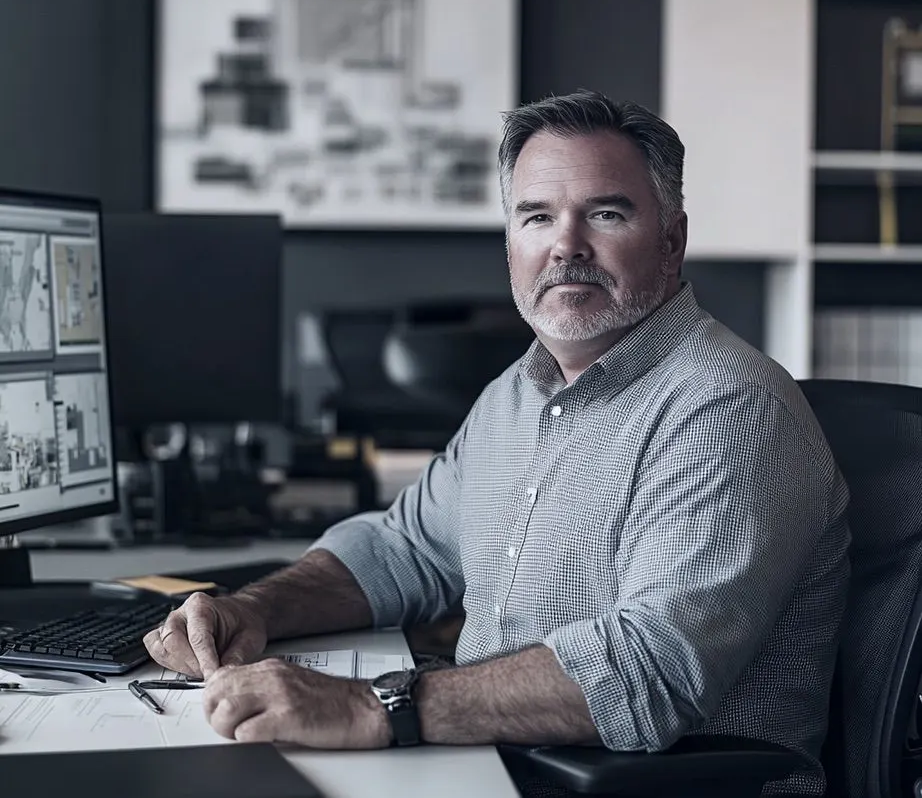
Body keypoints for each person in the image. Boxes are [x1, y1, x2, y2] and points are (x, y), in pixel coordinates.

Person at [145, 91, 849, 796]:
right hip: (491, 764)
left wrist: (369, 706)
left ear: (671, 241)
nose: (566, 246)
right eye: (537, 216)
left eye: (606, 214)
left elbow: (650, 673)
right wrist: (253, 610)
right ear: (510, 244)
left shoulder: (727, 408)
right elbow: (403, 550)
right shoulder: (516, 394)